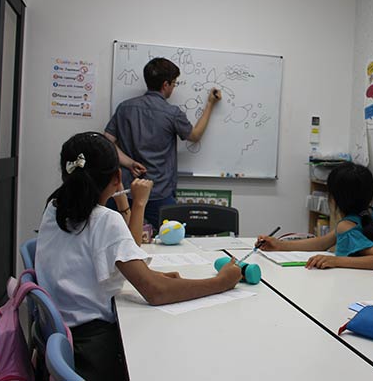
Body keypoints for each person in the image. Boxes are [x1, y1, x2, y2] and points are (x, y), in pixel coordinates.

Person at [35, 132, 242, 380]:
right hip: (93, 349)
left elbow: (125, 252)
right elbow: (156, 292)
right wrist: (222, 282)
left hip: (66, 336)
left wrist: (147, 274)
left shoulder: (55, 207)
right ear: (116, 177)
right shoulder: (103, 220)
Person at [105, 57, 221, 227]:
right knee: (171, 240)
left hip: (127, 191)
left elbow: (107, 142)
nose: (174, 87)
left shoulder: (125, 107)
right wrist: (210, 104)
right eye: (174, 83)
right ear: (165, 84)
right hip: (159, 192)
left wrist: (129, 163)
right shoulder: (171, 113)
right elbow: (195, 135)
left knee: (119, 240)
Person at [258, 162, 373, 271]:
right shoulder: (367, 214)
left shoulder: (346, 226)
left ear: (334, 198)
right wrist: (280, 245)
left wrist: (335, 260)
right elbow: (322, 243)